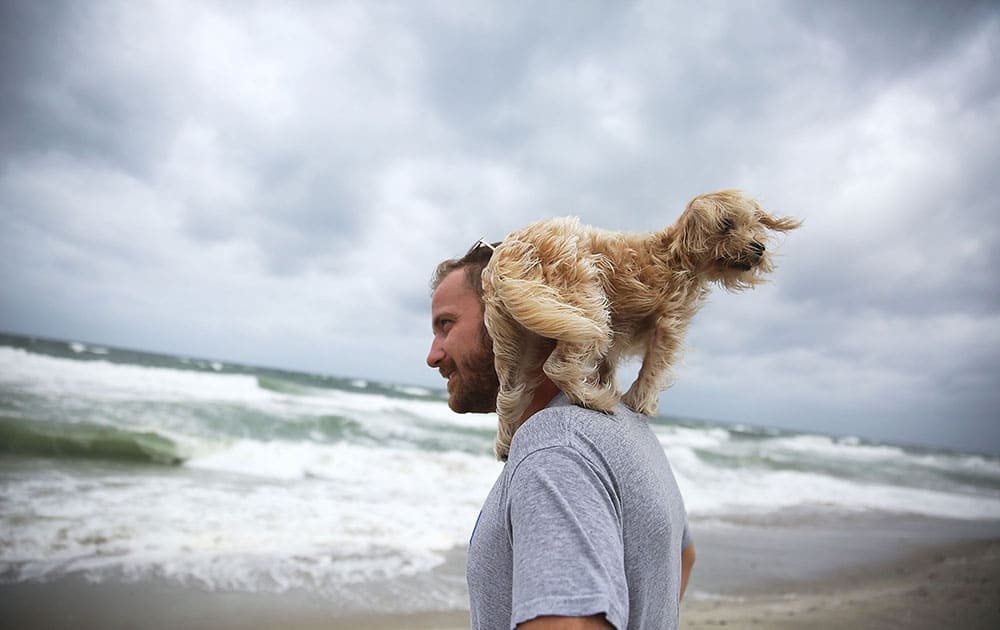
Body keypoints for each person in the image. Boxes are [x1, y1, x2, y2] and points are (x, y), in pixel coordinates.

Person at [427, 240, 695, 630]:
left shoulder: (556, 445)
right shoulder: (625, 424)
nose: (433, 355)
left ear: (511, 315)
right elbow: (683, 557)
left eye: (446, 325)